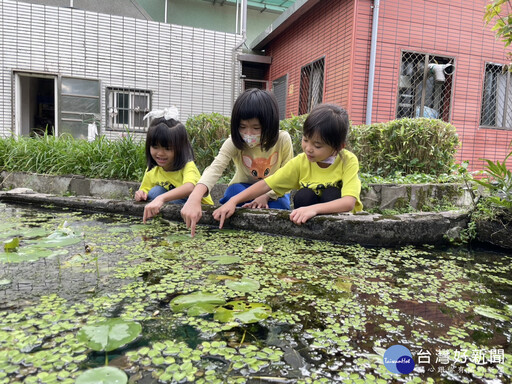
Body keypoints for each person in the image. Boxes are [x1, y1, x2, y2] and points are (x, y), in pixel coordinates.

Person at [213, 103, 363, 227]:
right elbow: (267, 184)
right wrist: (233, 201)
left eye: (317, 145)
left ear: (339, 147)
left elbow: (348, 202)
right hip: (308, 215)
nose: (308, 148)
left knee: (331, 193)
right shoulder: (301, 161)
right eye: (305, 140)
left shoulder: (347, 161)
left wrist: (314, 210)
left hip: (340, 221)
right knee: (304, 195)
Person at [181, 88, 294, 236]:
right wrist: (194, 197)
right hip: (241, 189)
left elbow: (287, 176)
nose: (248, 134)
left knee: (281, 204)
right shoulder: (234, 142)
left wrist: (265, 196)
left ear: (269, 125)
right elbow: (215, 168)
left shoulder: (283, 139)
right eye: (242, 127)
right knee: (231, 194)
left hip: (273, 192)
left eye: (256, 128)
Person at [135, 108, 213, 223]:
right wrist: (141, 194)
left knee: (158, 195)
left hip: (197, 207)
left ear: (180, 148)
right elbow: (145, 190)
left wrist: (161, 198)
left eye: (167, 148)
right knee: (155, 192)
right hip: (172, 204)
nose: (160, 153)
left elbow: (190, 187)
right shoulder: (153, 169)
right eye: (155, 147)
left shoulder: (188, 166)